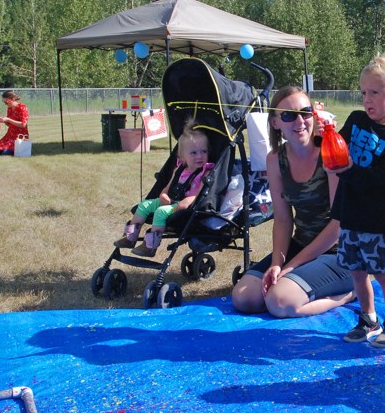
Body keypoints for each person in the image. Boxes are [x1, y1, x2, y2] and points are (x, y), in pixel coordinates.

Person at [231, 87, 355, 318]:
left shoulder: (329, 152)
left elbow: (338, 226)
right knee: (244, 298)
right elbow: (282, 218)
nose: (299, 120)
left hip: (342, 252)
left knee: (279, 302)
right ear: (276, 122)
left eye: (305, 112)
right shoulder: (276, 159)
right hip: (302, 245)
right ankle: (296, 279)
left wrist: (290, 267)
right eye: (288, 115)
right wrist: (277, 263)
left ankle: (350, 293)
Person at [333, 54, 385, 348]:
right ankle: (368, 319)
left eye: (375, 92)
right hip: (349, 212)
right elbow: (336, 147)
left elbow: (381, 179)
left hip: (376, 219)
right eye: (364, 92)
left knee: (381, 273)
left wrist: (348, 169)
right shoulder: (355, 120)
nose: (367, 98)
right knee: (356, 271)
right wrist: (322, 134)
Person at [113, 119, 214, 257]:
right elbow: (168, 187)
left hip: (185, 205)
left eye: (203, 151)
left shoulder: (206, 172)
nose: (200, 156)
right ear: (182, 156)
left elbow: (200, 193)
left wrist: (188, 201)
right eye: (193, 153)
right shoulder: (179, 169)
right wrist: (163, 195)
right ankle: (130, 236)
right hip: (170, 200)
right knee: (144, 205)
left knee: (160, 212)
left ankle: (151, 246)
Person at [0, 90, 29, 156]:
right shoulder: (10, 108)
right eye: (4, 102)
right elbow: (9, 124)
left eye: (6, 102)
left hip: (19, 136)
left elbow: (23, 124)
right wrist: (4, 121)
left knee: (5, 153)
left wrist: (8, 119)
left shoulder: (22, 107)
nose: (5, 104)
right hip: (9, 135)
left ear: (13, 99)